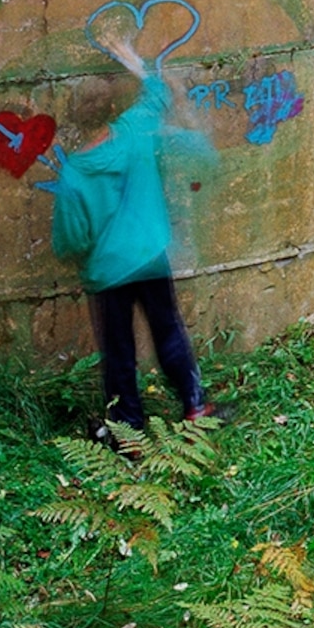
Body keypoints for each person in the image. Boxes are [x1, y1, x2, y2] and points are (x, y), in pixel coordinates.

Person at [48, 33, 221, 433]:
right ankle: (194, 405)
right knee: (168, 331)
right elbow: (159, 94)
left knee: (119, 349)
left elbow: (71, 240)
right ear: (111, 109)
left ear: (76, 122)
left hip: (108, 273)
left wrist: (82, 254)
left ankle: (129, 428)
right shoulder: (135, 130)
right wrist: (134, 62)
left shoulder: (73, 173)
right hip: (150, 255)